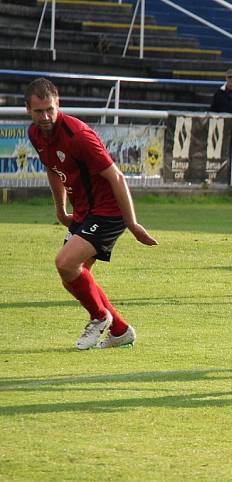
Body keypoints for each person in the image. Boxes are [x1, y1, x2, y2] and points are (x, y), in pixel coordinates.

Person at [25, 78, 158, 349]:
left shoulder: (78, 135)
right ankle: (120, 330)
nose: (46, 116)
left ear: (58, 104)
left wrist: (132, 223)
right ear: (28, 109)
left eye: (50, 109)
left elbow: (117, 177)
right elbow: (53, 169)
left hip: (109, 211)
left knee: (65, 263)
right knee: (72, 277)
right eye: (39, 111)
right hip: (85, 212)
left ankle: (99, 317)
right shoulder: (35, 134)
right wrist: (61, 209)